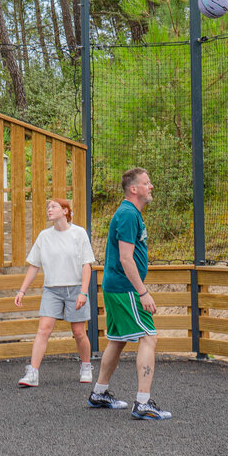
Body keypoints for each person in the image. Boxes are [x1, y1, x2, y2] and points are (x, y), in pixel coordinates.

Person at [87, 168, 171, 420]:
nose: (151, 186)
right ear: (133, 189)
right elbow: (125, 258)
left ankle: (99, 393)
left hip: (117, 286)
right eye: (146, 183)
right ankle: (143, 402)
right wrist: (143, 292)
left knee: (118, 339)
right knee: (149, 337)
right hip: (125, 287)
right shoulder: (127, 214)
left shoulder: (130, 213)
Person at [14, 198, 97, 387]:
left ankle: (86, 366)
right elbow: (35, 265)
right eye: (48, 207)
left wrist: (83, 292)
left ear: (65, 211)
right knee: (43, 329)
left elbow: (86, 264)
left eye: (53, 206)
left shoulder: (79, 233)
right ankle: (32, 372)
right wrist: (22, 290)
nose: (49, 210)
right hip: (52, 289)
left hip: (75, 288)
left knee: (78, 332)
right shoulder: (44, 236)